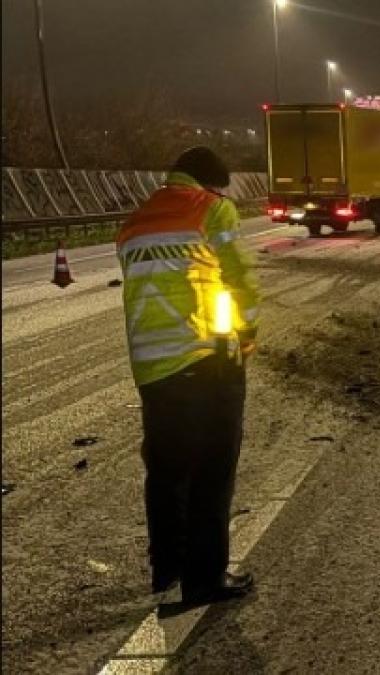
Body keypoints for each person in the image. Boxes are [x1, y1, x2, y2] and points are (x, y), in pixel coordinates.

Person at [116, 146, 260, 605]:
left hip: (151, 366)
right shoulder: (213, 210)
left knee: (166, 470)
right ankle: (205, 579)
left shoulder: (134, 223)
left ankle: (167, 572)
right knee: (213, 470)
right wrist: (247, 333)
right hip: (206, 359)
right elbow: (239, 279)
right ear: (209, 184)